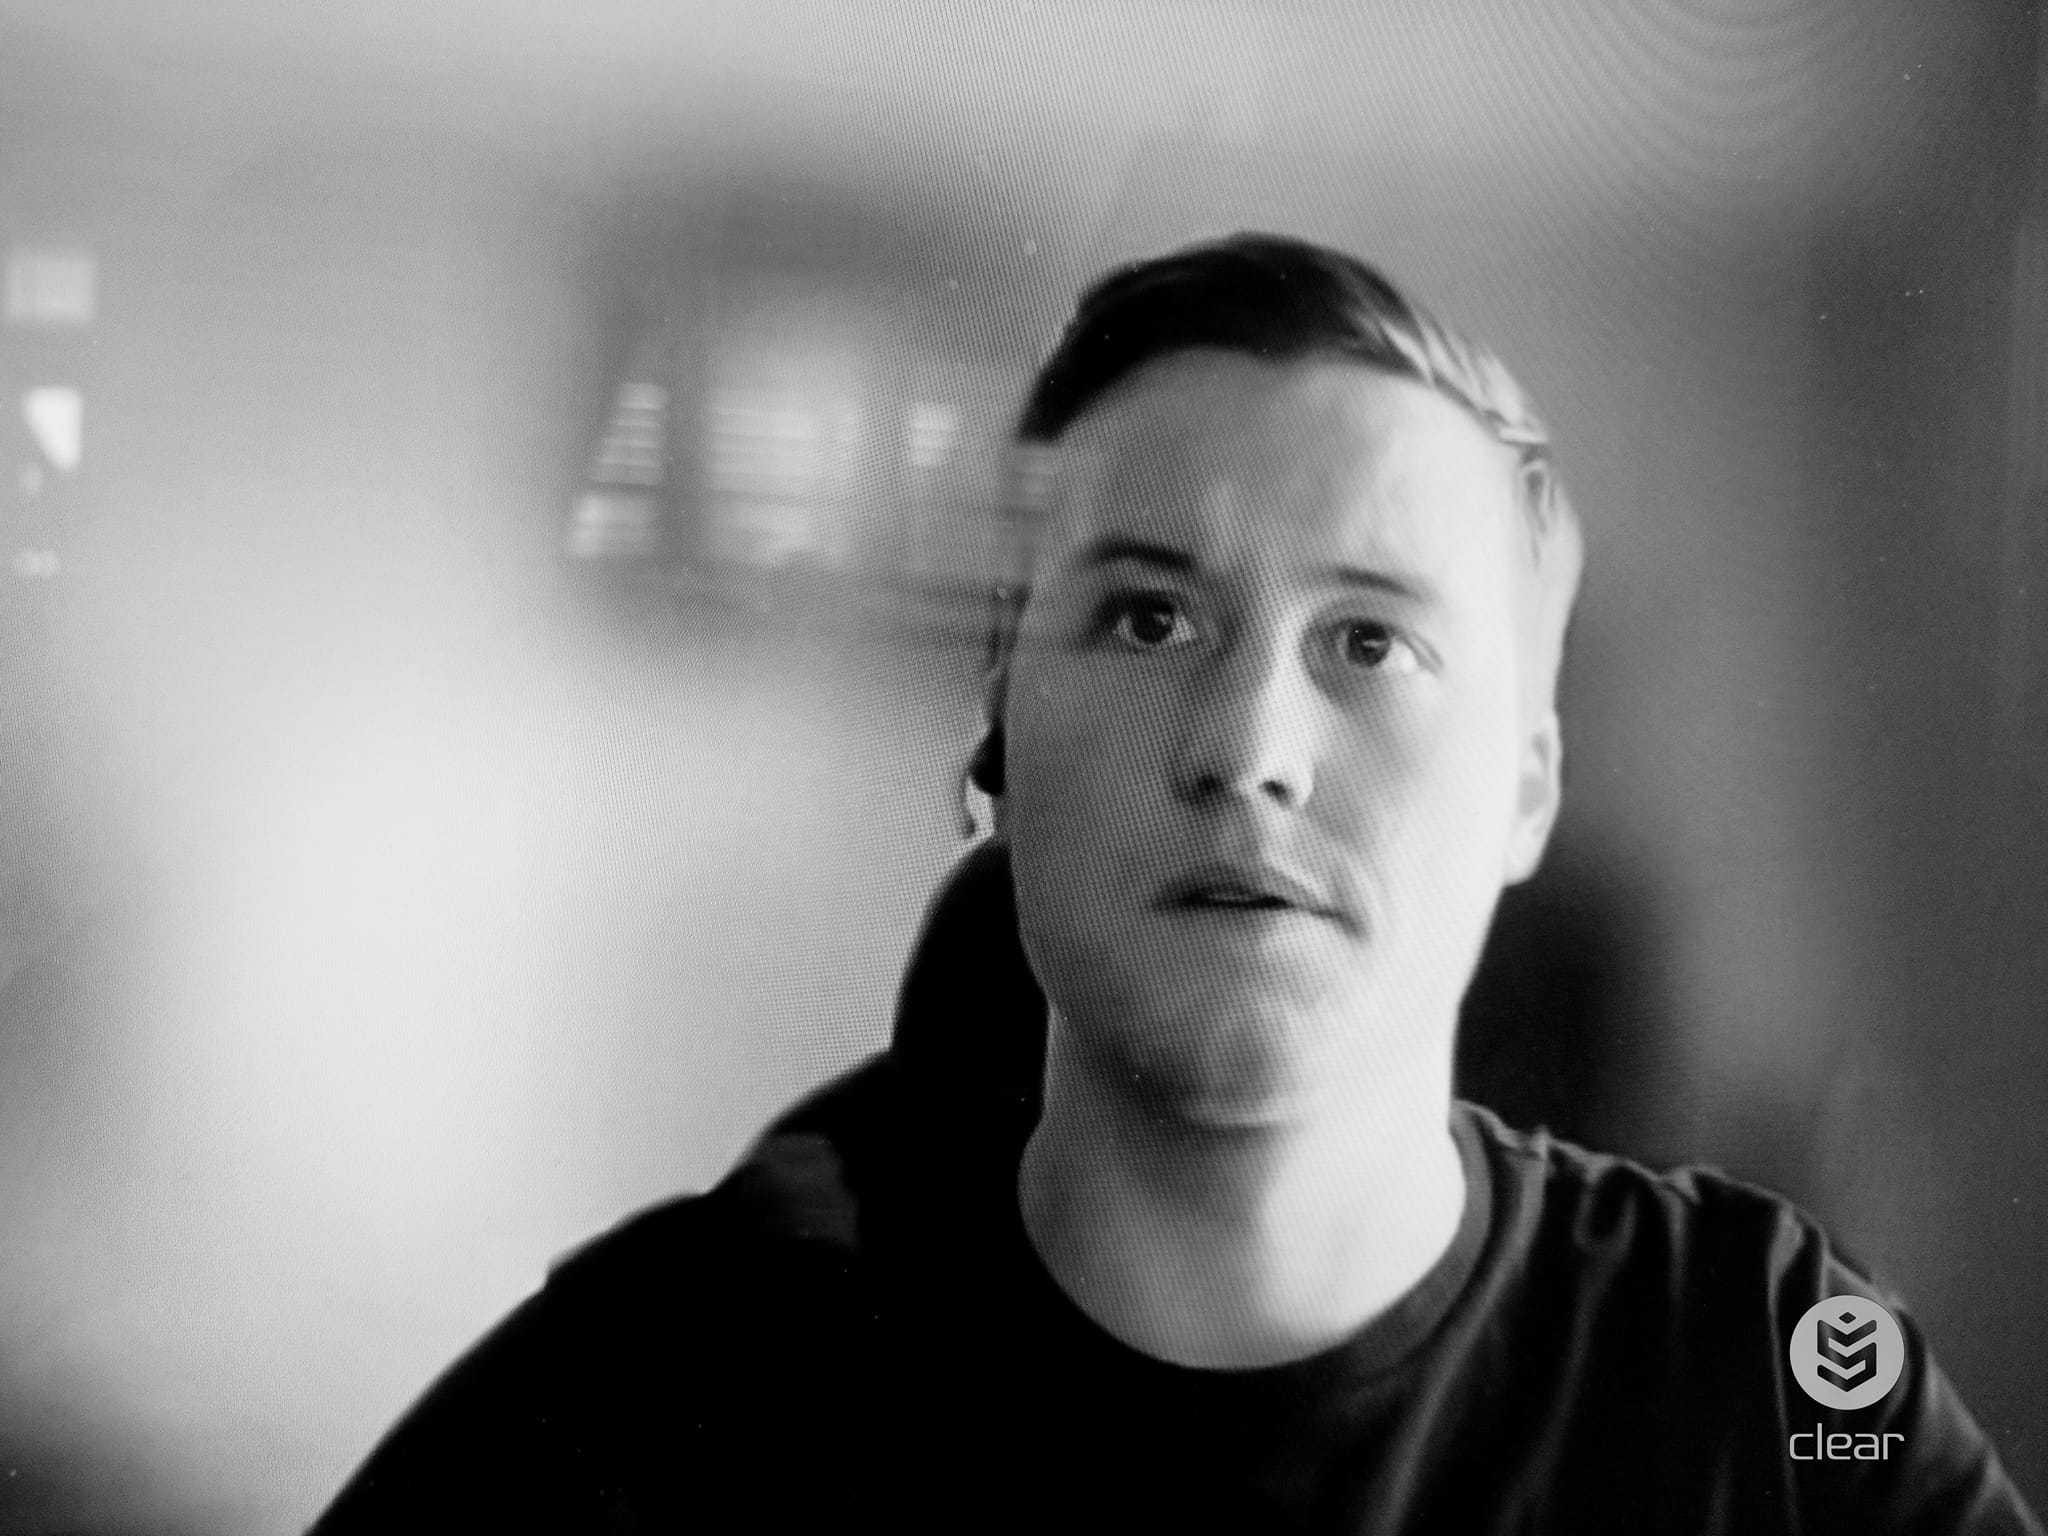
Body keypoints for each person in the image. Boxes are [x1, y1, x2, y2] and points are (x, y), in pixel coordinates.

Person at [310, 234, 2041, 1534]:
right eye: (1147, 618)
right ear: (998, 735)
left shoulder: (1756, 1367)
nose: (1250, 748)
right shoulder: (651, 1403)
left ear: (1529, 788)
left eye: (1372, 640)